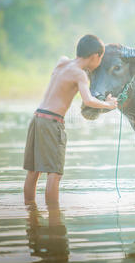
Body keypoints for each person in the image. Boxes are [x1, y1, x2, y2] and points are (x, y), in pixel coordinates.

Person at [23, 34, 118, 205]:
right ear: (95, 56)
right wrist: (109, 105)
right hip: (52, 122)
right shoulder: (79, 74)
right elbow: (88, 100)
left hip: (37, 118)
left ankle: (30, 212)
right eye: (101, 57)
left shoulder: (62, 62)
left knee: (33, 171)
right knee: (54, 174)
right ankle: (54, 220)